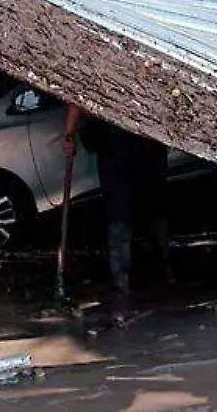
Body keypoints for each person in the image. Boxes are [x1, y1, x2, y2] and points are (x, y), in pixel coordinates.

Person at [63, 108, 172, 308]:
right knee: (125, 213)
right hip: (119, 143)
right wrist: (69, 134)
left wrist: (70, 134)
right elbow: (76, 99)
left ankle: (152, 275)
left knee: (144, 210)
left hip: (141, 139)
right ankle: (131, 281)